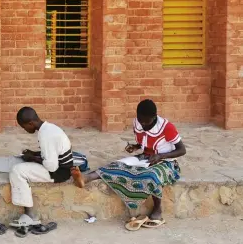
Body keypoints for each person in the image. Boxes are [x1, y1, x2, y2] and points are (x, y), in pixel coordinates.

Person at [74, 99, 186, 230]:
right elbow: (143, 141)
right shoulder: (137, 123)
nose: (143, 124)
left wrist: (161, 156)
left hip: (167, 162)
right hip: (147, 158)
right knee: (118, 165)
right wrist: (135, 147)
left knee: (151, 176)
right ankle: (87, 177)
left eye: (147, 122)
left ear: (154, 117)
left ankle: (157, 210)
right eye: (141, 120)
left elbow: (182, 150)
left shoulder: (167, 127)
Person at [10, 107, 83, 227]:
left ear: (30, 123)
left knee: (17, 171)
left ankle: (30, 216)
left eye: (24, 127)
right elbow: (52, 153)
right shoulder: (49, 128)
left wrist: (32, 158)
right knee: (21, 166)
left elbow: (51, 166)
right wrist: (34, 154)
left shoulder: (45, 135)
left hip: (59, 172)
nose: (25, 130)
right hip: (61, 167)